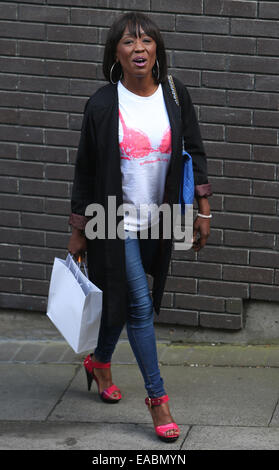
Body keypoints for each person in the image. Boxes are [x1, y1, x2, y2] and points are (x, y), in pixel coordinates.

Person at [67, 12, 212, 443]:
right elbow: (86, 171)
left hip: (160, 218)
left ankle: (99, 361)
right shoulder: (102, 103)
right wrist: (79, 228)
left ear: (157, 49)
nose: (139, 49)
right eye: (128, 42)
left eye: (146, 40)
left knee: (124, 299)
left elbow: (195, 150)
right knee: (140, 307)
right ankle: (158, 399)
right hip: (114, 220)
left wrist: (203, 210)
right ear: (116, 53)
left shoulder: (173, 93)